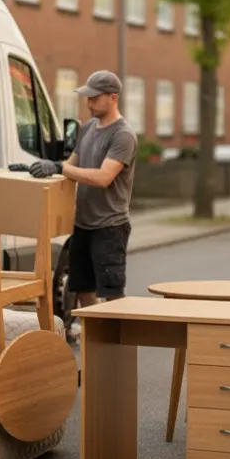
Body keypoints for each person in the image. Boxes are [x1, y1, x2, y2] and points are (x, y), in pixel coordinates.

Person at [27, 70, 138, 314]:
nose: (88, 102)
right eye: (87, 97)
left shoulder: (123, 135)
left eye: (95, 98)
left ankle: (116, 347)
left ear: (113, 98)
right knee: (82, 288)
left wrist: (61, 167)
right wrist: (37, 168)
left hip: (110, 227)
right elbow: (71, 166)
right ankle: (94, 335)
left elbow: (103, 177)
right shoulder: (87, 128)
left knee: (112, 293)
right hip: (83, 224)